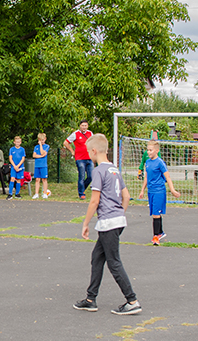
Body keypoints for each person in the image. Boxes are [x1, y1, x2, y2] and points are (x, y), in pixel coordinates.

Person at [73, 134, 141, 315]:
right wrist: (119, 214)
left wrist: (85, 223)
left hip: (108, 222)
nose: (89, 155)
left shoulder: (98, 171)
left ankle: (132, 300)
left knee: (113, 262)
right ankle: (90, 299)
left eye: (89, 152)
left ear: (94, 151)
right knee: (97, 257)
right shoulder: (114, 170)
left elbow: (94, 201)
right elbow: (126, 197)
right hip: (117, 220)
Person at [138, 140, 180, 246]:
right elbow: (146, 177)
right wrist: (142, 190)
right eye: (147, 150)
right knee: (155, 212)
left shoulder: (160, 162)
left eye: (151, 150)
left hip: (159, 191)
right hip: (150, 191)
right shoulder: (147, 162)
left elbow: (168, 177)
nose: (148, 152)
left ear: (157, 151)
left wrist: (172, 190)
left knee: (155, 214)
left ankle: (156, 236)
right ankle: (161, 232)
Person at [63, 120, 93, 200]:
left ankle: (82, 189)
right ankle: (81, 193)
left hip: (89, 158)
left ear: (87, 126)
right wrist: (72, 151)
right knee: (81, 176)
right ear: (80, 126)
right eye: (82, 125)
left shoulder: (90, 133)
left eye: (85, 125)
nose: (84, 127)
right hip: (80, 158)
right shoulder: (75, 134)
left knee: (91, 176)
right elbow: (66, 142)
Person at [32, 133, 51, 199]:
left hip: (43, 165)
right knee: (37, 179)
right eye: (40, 140)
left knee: (44, 179)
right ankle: (36, 193)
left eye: (43, 140)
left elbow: (43, 153)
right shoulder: (35, 147)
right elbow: (34, 155)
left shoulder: (46, 146)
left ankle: (45, 193)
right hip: (37, 165)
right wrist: (40, 156)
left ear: (45, 139)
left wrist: (40, 145)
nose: (42, 141)